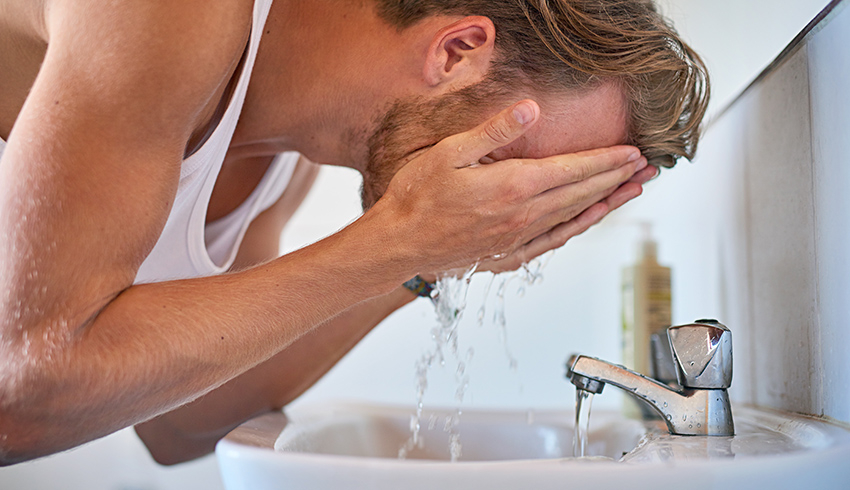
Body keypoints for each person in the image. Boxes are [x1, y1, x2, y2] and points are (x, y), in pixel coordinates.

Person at [0, 0, 708, 465]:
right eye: (535, 172)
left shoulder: (286, 165)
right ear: (458, 49)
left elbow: (179, 426)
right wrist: (397, 241)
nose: (515, 205)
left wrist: (418, 265)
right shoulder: (174, 12)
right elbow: (20, 396)